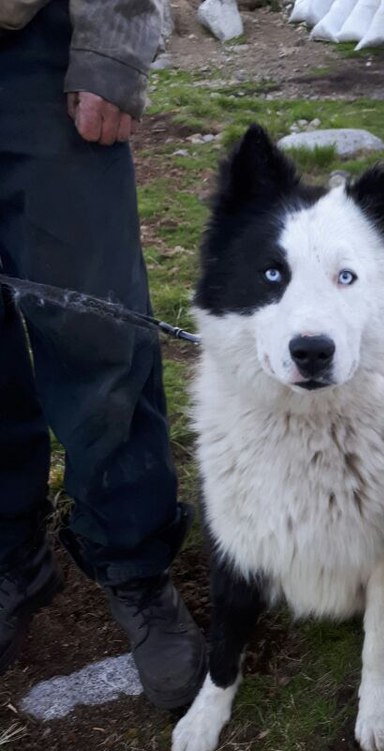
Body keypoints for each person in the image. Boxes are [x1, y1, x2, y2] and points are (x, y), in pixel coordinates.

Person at [0, 0, 206, 709]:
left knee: (96, 329)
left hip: (35, 55)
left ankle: (133, 561)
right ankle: (11, 557)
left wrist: (112, 46)